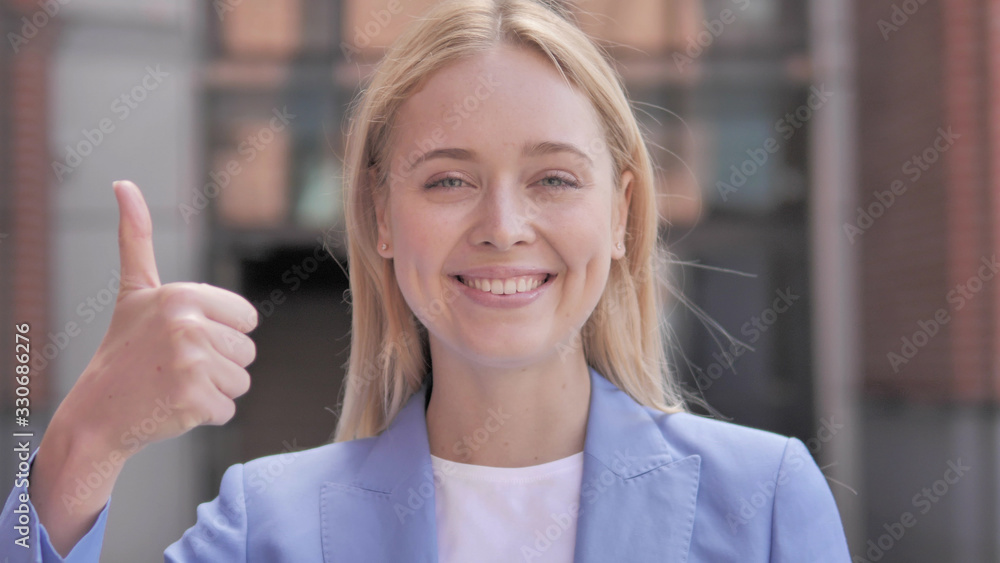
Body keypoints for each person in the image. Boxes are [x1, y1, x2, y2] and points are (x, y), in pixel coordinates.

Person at [1, 0, 851, 561]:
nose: (503, 225)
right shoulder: (271, 524)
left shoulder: (766, 500)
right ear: (379, 214)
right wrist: (87, 440)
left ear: (624, 214)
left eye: (554, 178)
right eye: (448, 179)